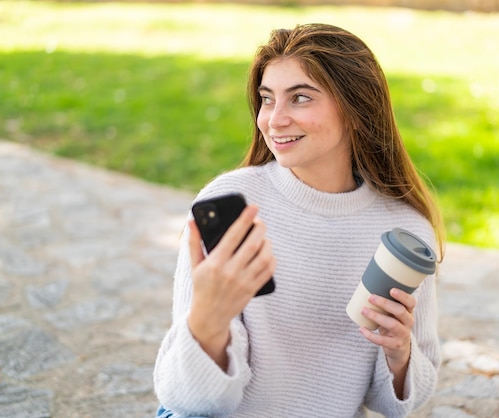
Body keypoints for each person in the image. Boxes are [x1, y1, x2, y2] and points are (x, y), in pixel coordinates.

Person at [153, 23, 445, 418]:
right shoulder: (232, 205)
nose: (274, 120)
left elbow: (396, 402)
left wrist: (399, 354)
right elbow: (192, 402)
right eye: (267, 99)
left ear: (358, 112)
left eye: (300, 98)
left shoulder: (403, 234)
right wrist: (207, 320)